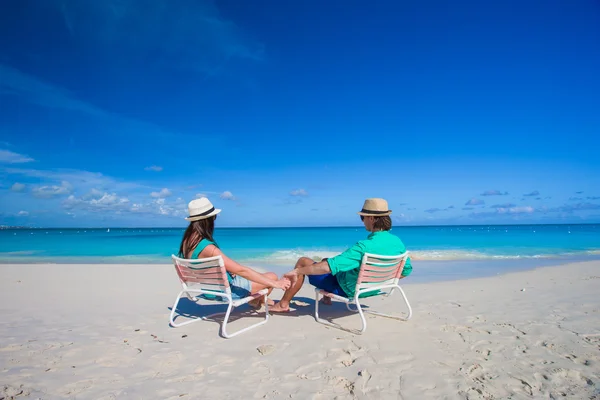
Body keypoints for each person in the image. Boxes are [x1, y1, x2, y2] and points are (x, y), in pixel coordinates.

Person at [270, 198, 412, 312]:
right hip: (374, 289)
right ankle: (326, 299)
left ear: (372, 219)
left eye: (363, 217)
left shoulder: (364, 247)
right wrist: (379, 278)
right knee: (329, 261)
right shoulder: (397, 243)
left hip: (349, 290)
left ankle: (283, 304)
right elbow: (406, 271)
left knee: (303, 261)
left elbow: (326, 268)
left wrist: (297, 271)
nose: (362, 221)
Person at [179, 197, 290, 307]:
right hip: (224, 292)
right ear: (208, 219)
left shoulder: (187, 242)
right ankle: (256, 301)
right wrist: (276, 284)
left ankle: (258, 300)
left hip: (209, 288)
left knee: (260, 276)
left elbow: (205, 266)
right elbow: (242, 270)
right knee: (272, 276)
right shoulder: (207, 247)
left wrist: (228, 271)